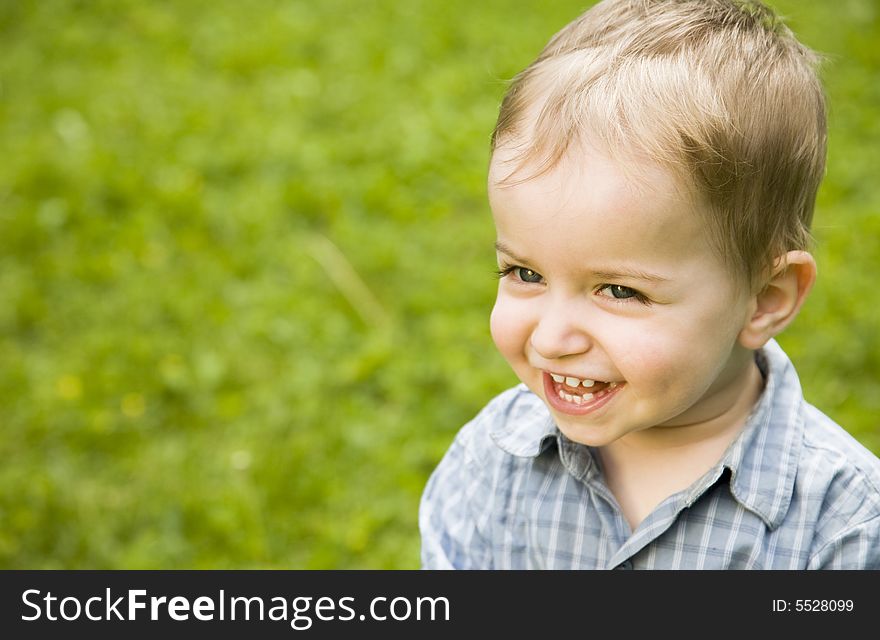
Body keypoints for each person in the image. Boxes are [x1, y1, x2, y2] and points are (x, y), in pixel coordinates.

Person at [419, 0, 880, 569]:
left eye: (618, 291)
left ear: (766, 298)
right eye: (526, 274)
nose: (553, 338)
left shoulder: (843, 525)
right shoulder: (491, 461)